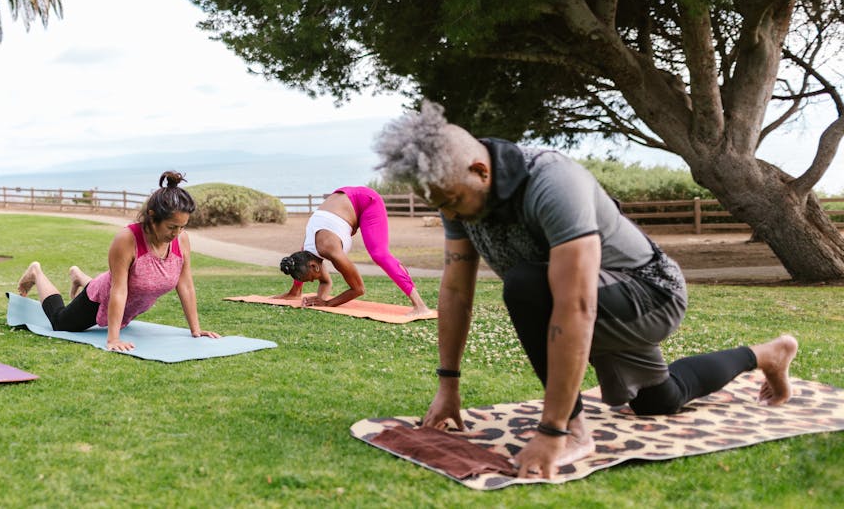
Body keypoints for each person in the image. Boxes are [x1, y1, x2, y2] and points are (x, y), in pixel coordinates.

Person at [373, 102, 798, 480]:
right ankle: (766, 354)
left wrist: (555, 428)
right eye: (439, 205)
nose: (448, 214)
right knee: (659, 401)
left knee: (524, 285)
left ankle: (576, 431)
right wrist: (448, 385)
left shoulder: (552, 182)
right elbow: (456, 290)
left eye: (451, 200)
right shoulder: (458, 194)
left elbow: (575, 307)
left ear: (481, 172)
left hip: (649, 294)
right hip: (593, 297)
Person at [15, 171, 221, 351]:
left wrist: (196, 330)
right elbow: (119, 289)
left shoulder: (181, 240)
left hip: (124, 296)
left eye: (182, 227)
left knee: (109, 284)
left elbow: (185, 284)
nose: (177, 233)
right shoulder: (127, 239)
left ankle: (79, 276)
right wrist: (113, 338)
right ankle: (37, 273)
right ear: (152, 216)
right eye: (171, 227)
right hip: (102, 297)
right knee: (60, 322)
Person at [277, 186, 432, 316]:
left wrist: (328, 303)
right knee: (302, 267)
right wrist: (309, 296)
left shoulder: (331, 250)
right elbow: (324, 280)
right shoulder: (305, 253)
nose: (312, 281)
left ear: (314, 266)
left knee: (379, 254)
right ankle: (294, 292)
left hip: (367, 201)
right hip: (341, 202)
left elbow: (358, 289)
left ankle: (420, 306)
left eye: (310, 279)